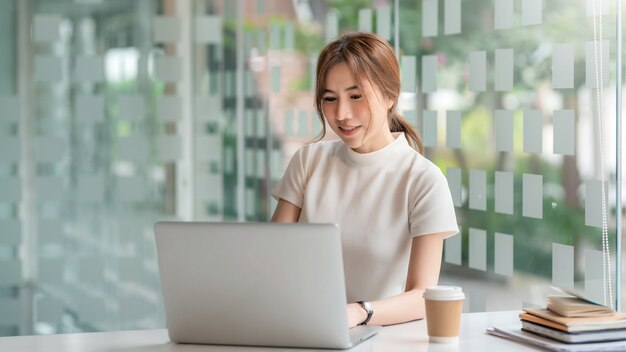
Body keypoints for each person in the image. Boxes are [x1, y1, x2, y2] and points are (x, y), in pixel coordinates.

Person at [271, 32, 458, 328]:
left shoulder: (423, 180)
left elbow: (422, 295)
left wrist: (359, 312)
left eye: (355, 96)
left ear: (389, 95)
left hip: (382, 337)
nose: (342, 114)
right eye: (330, 99)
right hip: (302, 328)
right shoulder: (308, 161)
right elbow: (271, 256)